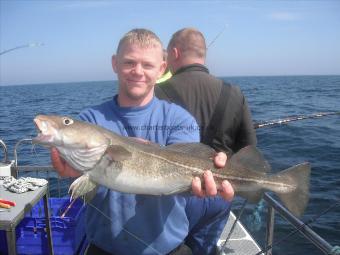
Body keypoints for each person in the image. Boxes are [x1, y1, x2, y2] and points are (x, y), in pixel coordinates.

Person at [51, 28, 234, 255]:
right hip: (103, 247)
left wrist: (205, 180)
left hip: (168, 248)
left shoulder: (180, 119)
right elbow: (86, 177)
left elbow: (183, 177)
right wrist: (74, 170)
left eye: (147, 65)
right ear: (114, 63)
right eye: (129, 62)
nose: (138, 71)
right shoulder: (90, 119)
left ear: (161, 69)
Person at [155, 28, 257, 254]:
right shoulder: (234, 93)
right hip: (219, 192)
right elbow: (248, 148)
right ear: (204, 54)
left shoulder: (156, 93)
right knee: (205, 249)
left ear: (173, 53)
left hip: (177, 191)